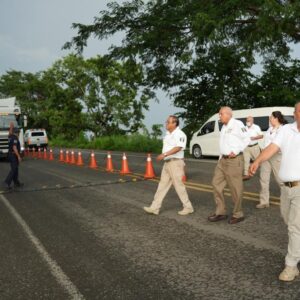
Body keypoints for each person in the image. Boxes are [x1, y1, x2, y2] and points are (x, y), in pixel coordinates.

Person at [249, 102, 300, 282]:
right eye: (298, 111)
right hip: (286, 188)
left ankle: (291, 266)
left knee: (295, 227)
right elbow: (272, 148)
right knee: (289, 221)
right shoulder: (286, 130)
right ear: (295, 114)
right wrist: (257, 161)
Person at [143, 115, 194, 216]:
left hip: (175, 162)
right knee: (162, 186)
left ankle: (188, 207)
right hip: (167, 163)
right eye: (166, 122)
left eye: (168, 122)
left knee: (179, 186)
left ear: (174, 123)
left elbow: (179, 147)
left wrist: (164, 154)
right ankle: (155, 208)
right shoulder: (167, 135)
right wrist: (165, 156)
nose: (166, 123)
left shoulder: (180, 134)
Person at [208, 107, 249, 224]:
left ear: (228, 114)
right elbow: (223, 144)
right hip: (223, 160)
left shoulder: (237, 124)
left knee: (235, 188)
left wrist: (236, 150)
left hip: (234, 160)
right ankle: (221, 212)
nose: (219, 116)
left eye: (221, 114)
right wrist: (220, 159)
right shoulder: (224, 127)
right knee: (216, 184)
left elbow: (247, 138)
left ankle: (238, 214)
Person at [257, 111, 287, 209]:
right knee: (263, 179)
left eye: (271, 117)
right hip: (266, 156)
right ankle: (264, 202)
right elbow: (266, 142)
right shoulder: (270, 129)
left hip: (276, 156)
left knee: (280, 180)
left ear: (277, 118)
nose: (270, 119)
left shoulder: (283, 129)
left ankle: (288, 199)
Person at [242, 116, 263, 180]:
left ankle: (263, 173)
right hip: (246, 147)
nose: (248, 122)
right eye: (247, 121)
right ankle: (246, 174)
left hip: (255, 147)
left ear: (252, 121)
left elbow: (261, 136)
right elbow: (241, 135)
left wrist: (254, 138)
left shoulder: (256, 127)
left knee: (258, 161)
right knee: (246, 161)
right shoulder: (243, 128)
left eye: (249, 121)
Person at [4, 123, 23, 190]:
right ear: (17, 133)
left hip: (10, 154)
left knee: (15, 169)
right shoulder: (15, 138)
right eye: (18, 133)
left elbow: (9, 133)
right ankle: (7, 182)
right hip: (13, 155)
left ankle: (16, 182)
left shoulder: (10, 136)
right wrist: (18, 156)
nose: (19, 134)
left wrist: (11, 127)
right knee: (14, 169)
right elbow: (14, 147)